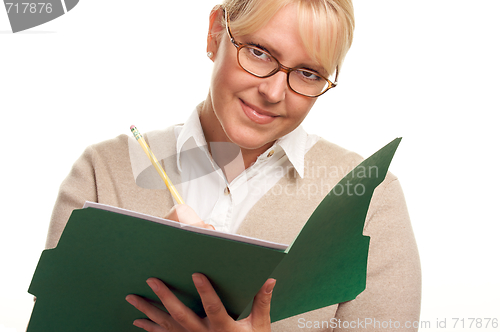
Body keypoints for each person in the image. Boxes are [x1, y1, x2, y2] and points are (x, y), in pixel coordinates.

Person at [44, 0, 421, 331]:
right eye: (259, 52)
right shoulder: (103, 172)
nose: (273, 93)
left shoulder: (370, 199)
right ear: (214, 34)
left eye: (308, 74)